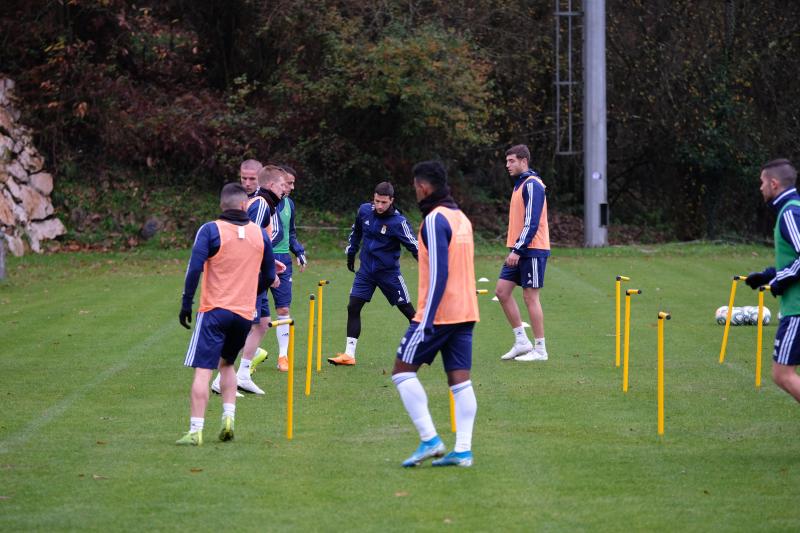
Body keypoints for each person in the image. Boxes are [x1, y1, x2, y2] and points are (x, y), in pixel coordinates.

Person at [392, 161, 479, 468]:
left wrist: (426, 319)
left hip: (438, 314)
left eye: (415, 186)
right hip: (467, 311)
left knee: (402, 371)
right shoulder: (461, 218)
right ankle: (464, 451)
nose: (415, 191)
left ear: (424, 187)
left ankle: (430, 439)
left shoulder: (434, 219)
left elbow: (440, 272)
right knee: (460, 382)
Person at [176, 182, 277, 445]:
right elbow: (269, 275)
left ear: (222, 205)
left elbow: (194, 267)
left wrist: (186, 302)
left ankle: (196, 430)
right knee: (228, 364)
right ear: (245, 205)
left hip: (213, 310)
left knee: (203, 370)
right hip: (244, 314)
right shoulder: (259, 234)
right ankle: (228, 418)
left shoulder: (210, 230)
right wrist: (252, 293)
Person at [211, 164, 285, 393]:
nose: (285, 189)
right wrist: (265, 271)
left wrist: (270, 262)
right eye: (283, 185)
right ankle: (220, 380)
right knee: (242, 325)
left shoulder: (267, 204)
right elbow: (249, 237)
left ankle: (243, 374)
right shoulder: (261, 204)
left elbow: (260, 240)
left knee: (262, 324)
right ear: (271, 185)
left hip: (258, 271)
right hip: (250, 275)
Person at [328, 181, 418, 366]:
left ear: (392, 200)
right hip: (366, 271)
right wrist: (351, 254)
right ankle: (349, 355)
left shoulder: (399, 223)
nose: (379, 206)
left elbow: (415, 247)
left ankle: (424, 346)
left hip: (389, 274)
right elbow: (356, 233)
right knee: (353, 307)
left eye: (384, 202)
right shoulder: (364, 211)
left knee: (408, 311)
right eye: (377, 201)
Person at [744, 158, 800, 404]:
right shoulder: (791, 209)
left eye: (762, 182)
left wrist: (780, 280)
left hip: (797, 308)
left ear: (774, 184)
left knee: (782, 374)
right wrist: (769, 274)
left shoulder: (790, 212)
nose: (760, 188)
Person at [495, 144, 550, 362]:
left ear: (523, 161)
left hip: (532, 249)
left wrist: (518, 249)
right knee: (502, 291)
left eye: (511, 161)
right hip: (519, 249)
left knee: (530, 297)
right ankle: (522, 341)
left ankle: (540, 349)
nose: (507, 165)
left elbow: (532, 221)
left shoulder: (532, 185)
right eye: (507, 161)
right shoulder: (520, 185)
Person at [265, 164, 308, 373]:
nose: (290, 187)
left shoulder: (289, 204)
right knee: (254, 310)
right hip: (262, 259)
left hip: (283, 260)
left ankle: (283, 356)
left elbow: (290, 233)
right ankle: (250, 356)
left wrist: (298, 251)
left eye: (292, 183)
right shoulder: (261, 203)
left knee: (283, 308)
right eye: (288, 183)